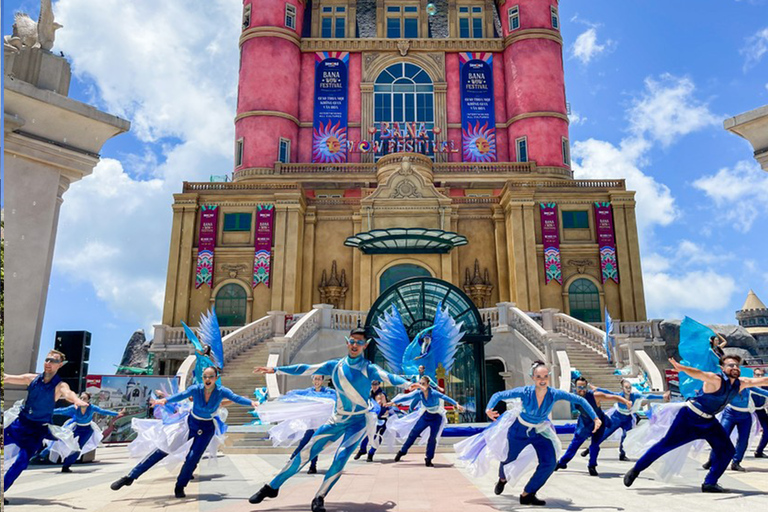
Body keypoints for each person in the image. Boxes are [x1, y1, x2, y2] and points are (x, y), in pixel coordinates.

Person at [249, 327, 416, 512]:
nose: (355, 345)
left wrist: (409, 384)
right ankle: (272, 487)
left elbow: (389, 377)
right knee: (305, 453)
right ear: (347, 342)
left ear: (365, 345)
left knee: (340, 458)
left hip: (358, 423)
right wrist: (275, 369)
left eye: (359, 343)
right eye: (352, 341)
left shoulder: (369, 368)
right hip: (337, 420)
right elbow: (305, 368)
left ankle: (319, 497)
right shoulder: (335, 366)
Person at [455, 360, 601, 507]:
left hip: (540, 431)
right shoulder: (525, 392)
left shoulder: (554, 394)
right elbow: (499, 394)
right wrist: (488, 409)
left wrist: (595, 418)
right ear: (533, 377)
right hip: (519, 430)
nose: (542, 380)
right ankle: (502, 479)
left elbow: (580, 400)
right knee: (508, 457)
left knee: (550, 463)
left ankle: (527, 494)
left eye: (545, 376)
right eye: (539, 377)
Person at [624, 355, 768, 493]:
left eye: (737, 365)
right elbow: (699, 373)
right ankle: (636, 470)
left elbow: (763, 381)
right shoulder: (715, 379)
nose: (735, 367)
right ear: (723, 368)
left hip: (709, 422)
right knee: (665, 445)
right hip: (689, 418)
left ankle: (710, 483)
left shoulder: (741, 383)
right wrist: (683, 369)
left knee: (728, 450)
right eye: (731, 365)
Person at [110, 366, 257, 498]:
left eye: (211, 376)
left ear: (216, 378)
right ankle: (130, 477)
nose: (207, 379)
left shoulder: (221, 391)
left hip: (207, 429)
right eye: (205, 376)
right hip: (189, 424)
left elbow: (236, 398)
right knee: (162, 450)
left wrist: (251, 402)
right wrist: (165, 400)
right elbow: (181, 396)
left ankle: (180, 486)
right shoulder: (196, 389)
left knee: (193, 458)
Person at [3, 350, 89, 504]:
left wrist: (76, 400)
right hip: (19, 424)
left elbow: (68, 393)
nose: (49, 363)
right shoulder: (32, 378)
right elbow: (8, 378)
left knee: (21, 462)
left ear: (60, 365)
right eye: (47, 359)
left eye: (53, 361)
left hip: (36, 431)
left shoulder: (59, 385)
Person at [556, 377, 631, 476]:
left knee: (595, 445)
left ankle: (592, 466)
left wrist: (626, 402)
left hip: (599, 422)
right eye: (579, 387)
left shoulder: (595, 396)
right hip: (584, 423)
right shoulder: (573, 397)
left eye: (584, 387)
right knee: (574, 444)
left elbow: (612, 397)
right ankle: (562, 463)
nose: (582, 389)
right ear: (575, 387)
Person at [585, 380, 670, 461]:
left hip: (627, 419)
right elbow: (608, 392)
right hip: (616, 418)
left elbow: (647, 396)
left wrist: (662, 396)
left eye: (630, 387)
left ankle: (622, 454)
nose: (628, 389)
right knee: (605, 434)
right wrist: (597, 389)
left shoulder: (634, 396)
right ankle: (590, 448)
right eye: (626, 387)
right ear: (622, 388)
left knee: (626, 436)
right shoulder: (619, 395)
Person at [392, 376, 465, 467]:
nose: (421, 385)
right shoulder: (419, 393)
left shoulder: (434, 393)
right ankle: (402, 451)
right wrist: (392, 402)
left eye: (423, 384)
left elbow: (445, 397)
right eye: (420, 384)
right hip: (426, 415)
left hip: (436, 418)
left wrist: (456, 404)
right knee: (413, 433)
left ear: (428, 384)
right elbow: (406, 397)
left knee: (432, 438)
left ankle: (428, 459)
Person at [702, 374, 768, 471]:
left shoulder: (747, 385)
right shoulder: (726, 387)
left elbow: (764, 392)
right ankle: (712, 460)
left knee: (743, 440)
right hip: (729, 414)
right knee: (721, 437)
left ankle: (736, 462)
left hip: (745, 416)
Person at [47, 392, 126, 472]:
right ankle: (44, 453)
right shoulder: (75, 407)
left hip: (87, 430)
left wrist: (117, 413)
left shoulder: (92, 408)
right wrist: (45, 411)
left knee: (78, 448)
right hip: (76, 428)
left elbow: (103, 411)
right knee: (64, 441)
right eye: (80, 398)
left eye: (84, 398)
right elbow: (61, 411)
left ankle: (66, 465)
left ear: (88, 400)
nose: (82, 400)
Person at [287, 375, 337, 474]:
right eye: (315, 379)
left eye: (319, 379)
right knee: (303, 443)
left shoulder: (328, 392)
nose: (317, 381)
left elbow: (338, 396)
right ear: (312, 380)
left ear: (322, 380)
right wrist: (290, 393)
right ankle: (291, 461)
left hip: (322, 425)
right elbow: (297, 393)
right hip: (312, 424)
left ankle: (313, 466)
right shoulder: (309, 391)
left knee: (315, 445)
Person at [354, 392, 398, 462]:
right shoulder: (372, 406)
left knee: (378, 439)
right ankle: (362, 450)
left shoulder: (388, 406)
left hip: (382, 425)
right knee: (366, 437)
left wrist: (389, 411)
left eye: (382, 397)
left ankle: (371, 454)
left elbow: (395, 411)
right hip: (372, 424)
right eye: (379, 397)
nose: (381, 399)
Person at [753, 367, 768, 458]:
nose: (760, 377)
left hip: (760, 410)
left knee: (767, 431)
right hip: (748, 411)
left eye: (762, 375)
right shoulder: (748, 385)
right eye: (758, 375)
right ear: (754, 375)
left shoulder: (766, 387)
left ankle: (759, 451)